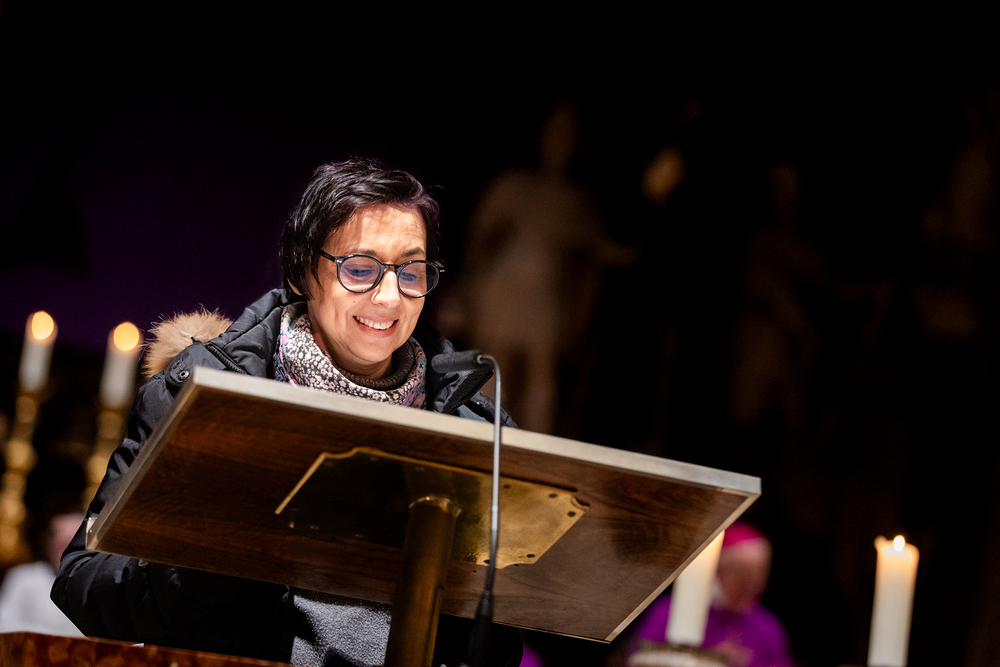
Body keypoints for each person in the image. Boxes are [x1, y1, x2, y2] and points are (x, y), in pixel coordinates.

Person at [50, 160, 522, 667]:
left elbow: (509, 630)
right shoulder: (204, 391)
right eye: (360, 269)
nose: (390, 297)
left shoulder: (473, 428)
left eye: (411, 272)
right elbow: (85, 586)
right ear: (302, 272)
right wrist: (231, 552)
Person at [629, 523, 793, 667]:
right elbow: (640, 660)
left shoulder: (769, 627)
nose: (754, 585)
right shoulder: (669, 612)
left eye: (760, 574)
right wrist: (707, 659)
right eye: (742, 575)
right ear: (718, 571)